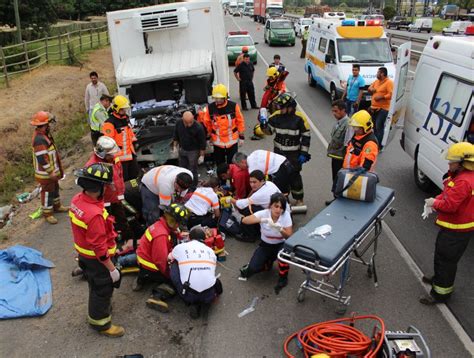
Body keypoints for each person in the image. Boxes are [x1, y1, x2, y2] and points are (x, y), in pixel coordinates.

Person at [69, 162, 124, 337]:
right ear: (99, 187)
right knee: (102, 289)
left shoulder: (78, 200)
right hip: (98, 260)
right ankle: (101, 323)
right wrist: (112, 269)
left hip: (85, 256)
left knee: (95, 286)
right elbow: (99, 248)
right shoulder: (94, 215)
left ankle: (100, 308)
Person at [420, 142, 474, 305]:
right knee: (443, 257)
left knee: (445, 260)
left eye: (452, 162)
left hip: (456, 230)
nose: (449, 164)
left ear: (463, 163)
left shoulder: (463, 181)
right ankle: (439, 280)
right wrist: (437, 199)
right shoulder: (462, 176)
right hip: (455, 228)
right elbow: (448, 194)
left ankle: (440, 294)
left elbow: (450, 206)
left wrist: (433, 203)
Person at [134, 203, 189, 312]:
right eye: (178, 223)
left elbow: (172, 232)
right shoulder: (161, 235)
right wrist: (171, 274)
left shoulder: (161, 224)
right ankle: (157, 296)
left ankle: (142, 278)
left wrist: (179, 235)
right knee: (177, 279)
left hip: (144, 257)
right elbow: (161, 261)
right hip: (150, 266)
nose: (179, 226)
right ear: (174, 221)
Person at [86, 136, 134, 250]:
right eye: (110, 154)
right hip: (102, 201)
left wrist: (120, 194)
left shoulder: (114, 159)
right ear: (102, 154)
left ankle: (128, 239)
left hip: (115, 198)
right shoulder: (92, 166)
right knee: (104, 224)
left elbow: (119, 176)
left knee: (122, 219)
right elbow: (91, 188)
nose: (113, 156)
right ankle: (109, 244)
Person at [239, 193, 293, 294]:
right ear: (270, 206)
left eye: (281, 207)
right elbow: (245, 221)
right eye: (276, 206)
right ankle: (267, 263)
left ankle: (283, 277)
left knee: (284, 257)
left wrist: (280, 229)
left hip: (280, 244)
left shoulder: (285, 216)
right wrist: (262, 220)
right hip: (266, 244)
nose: (278, 210)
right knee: (253, 268)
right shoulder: (264, 213)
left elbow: (289, 236)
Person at [265, 93, 311, 207]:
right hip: (279, 153)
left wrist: (304, 153)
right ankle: (282, 198)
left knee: (294, 176)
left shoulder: (300, 119)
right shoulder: (275, 116)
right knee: (280, 176)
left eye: (282, 107)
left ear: (290, 107)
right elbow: (268, 132)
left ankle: (299, 199)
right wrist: (263, 125)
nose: (279, 109)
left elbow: (306, 136)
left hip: (294, 154)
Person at [168, 226, 223, 319]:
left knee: (174, 262)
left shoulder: (180, 247)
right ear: (204, 239)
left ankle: (194, 303)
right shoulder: (210, 251)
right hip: (209, 293)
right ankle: (205, 301)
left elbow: (169, 258)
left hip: (188, 294)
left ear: (189, 237)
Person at [31, 111, 68, 225]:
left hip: (52, 171)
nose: (50, 126)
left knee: (55, 188)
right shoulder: (39, 140)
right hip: (46, 173)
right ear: (44, 125)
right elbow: (42, 158)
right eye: (48, 124)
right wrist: (50, 171)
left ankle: (57, 206)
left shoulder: (44, 136)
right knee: (47, 192)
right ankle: (48, 213)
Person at [201, 84, 245, 165]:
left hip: (232, 141)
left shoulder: (233, 106)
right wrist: (208, 137)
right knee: (219, 163)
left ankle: (232, 177)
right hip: (217, 142)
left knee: (232, 163)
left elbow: (240, 121)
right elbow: (207, 123)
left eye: (219, 98)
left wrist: (241, 136)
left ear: (225, 97)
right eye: (215, 98)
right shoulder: (210, 108)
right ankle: (221, 177)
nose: (217, 100)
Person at [231, 170, 281, 242]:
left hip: (276, 222)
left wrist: (230, 200)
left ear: (262, 181)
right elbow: (252, 193)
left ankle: (249, 235)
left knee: (246, 209)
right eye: (250, 182)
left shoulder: (259, 195)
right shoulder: (269, 183)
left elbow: (240, 205)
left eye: (254, 182)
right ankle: (257, 227)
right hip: (283, 213)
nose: (252, 185)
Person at [102, 95, 139, 182]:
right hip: (119, 159)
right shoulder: (109, 123)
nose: (124, 111)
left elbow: (130, 134)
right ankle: (125, 195)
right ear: (116, 108)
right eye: (122, 109)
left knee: (134, 179)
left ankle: (134, 193)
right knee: (123, 181)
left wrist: (135, 143)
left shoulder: (126, 119)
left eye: (125, 109)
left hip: (131, 155)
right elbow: (108, 143)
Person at [326, 100, 353, 202]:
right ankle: (336, 198)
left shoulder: (348, 125)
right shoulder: (339, 122)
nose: (334, 113)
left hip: (341, 159)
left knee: (340, 180)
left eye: (336, 111)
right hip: (335, 157)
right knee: (335, 179)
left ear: (343, 110)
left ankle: (339, 200)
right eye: (333, 111)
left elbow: (348, 145)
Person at [173, 111, 206, 189]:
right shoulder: (179, 123)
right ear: (183, 120)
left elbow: (202, 143)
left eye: (191, 122)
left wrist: (202, 156)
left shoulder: (198, 127)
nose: (189, 125)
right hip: (183, 149)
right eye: (187, 123)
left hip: (193, 151)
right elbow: (176, 135)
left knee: (192, 169)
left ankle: (193, 187)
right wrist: (175, 146)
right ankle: (182, 184)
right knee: (182, 168)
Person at [367, 67, 393, 147]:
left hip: (383, 109)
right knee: (374, 126)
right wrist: (371, 89)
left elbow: (391, 94)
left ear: (382, 74)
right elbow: (369, 87)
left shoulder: (389, 82)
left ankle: (379, 145)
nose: (377, 74)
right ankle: (374, 142)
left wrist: (382, 97)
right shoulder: (377, 81)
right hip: (374, 108)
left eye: (378, 72)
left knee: (379, 126)